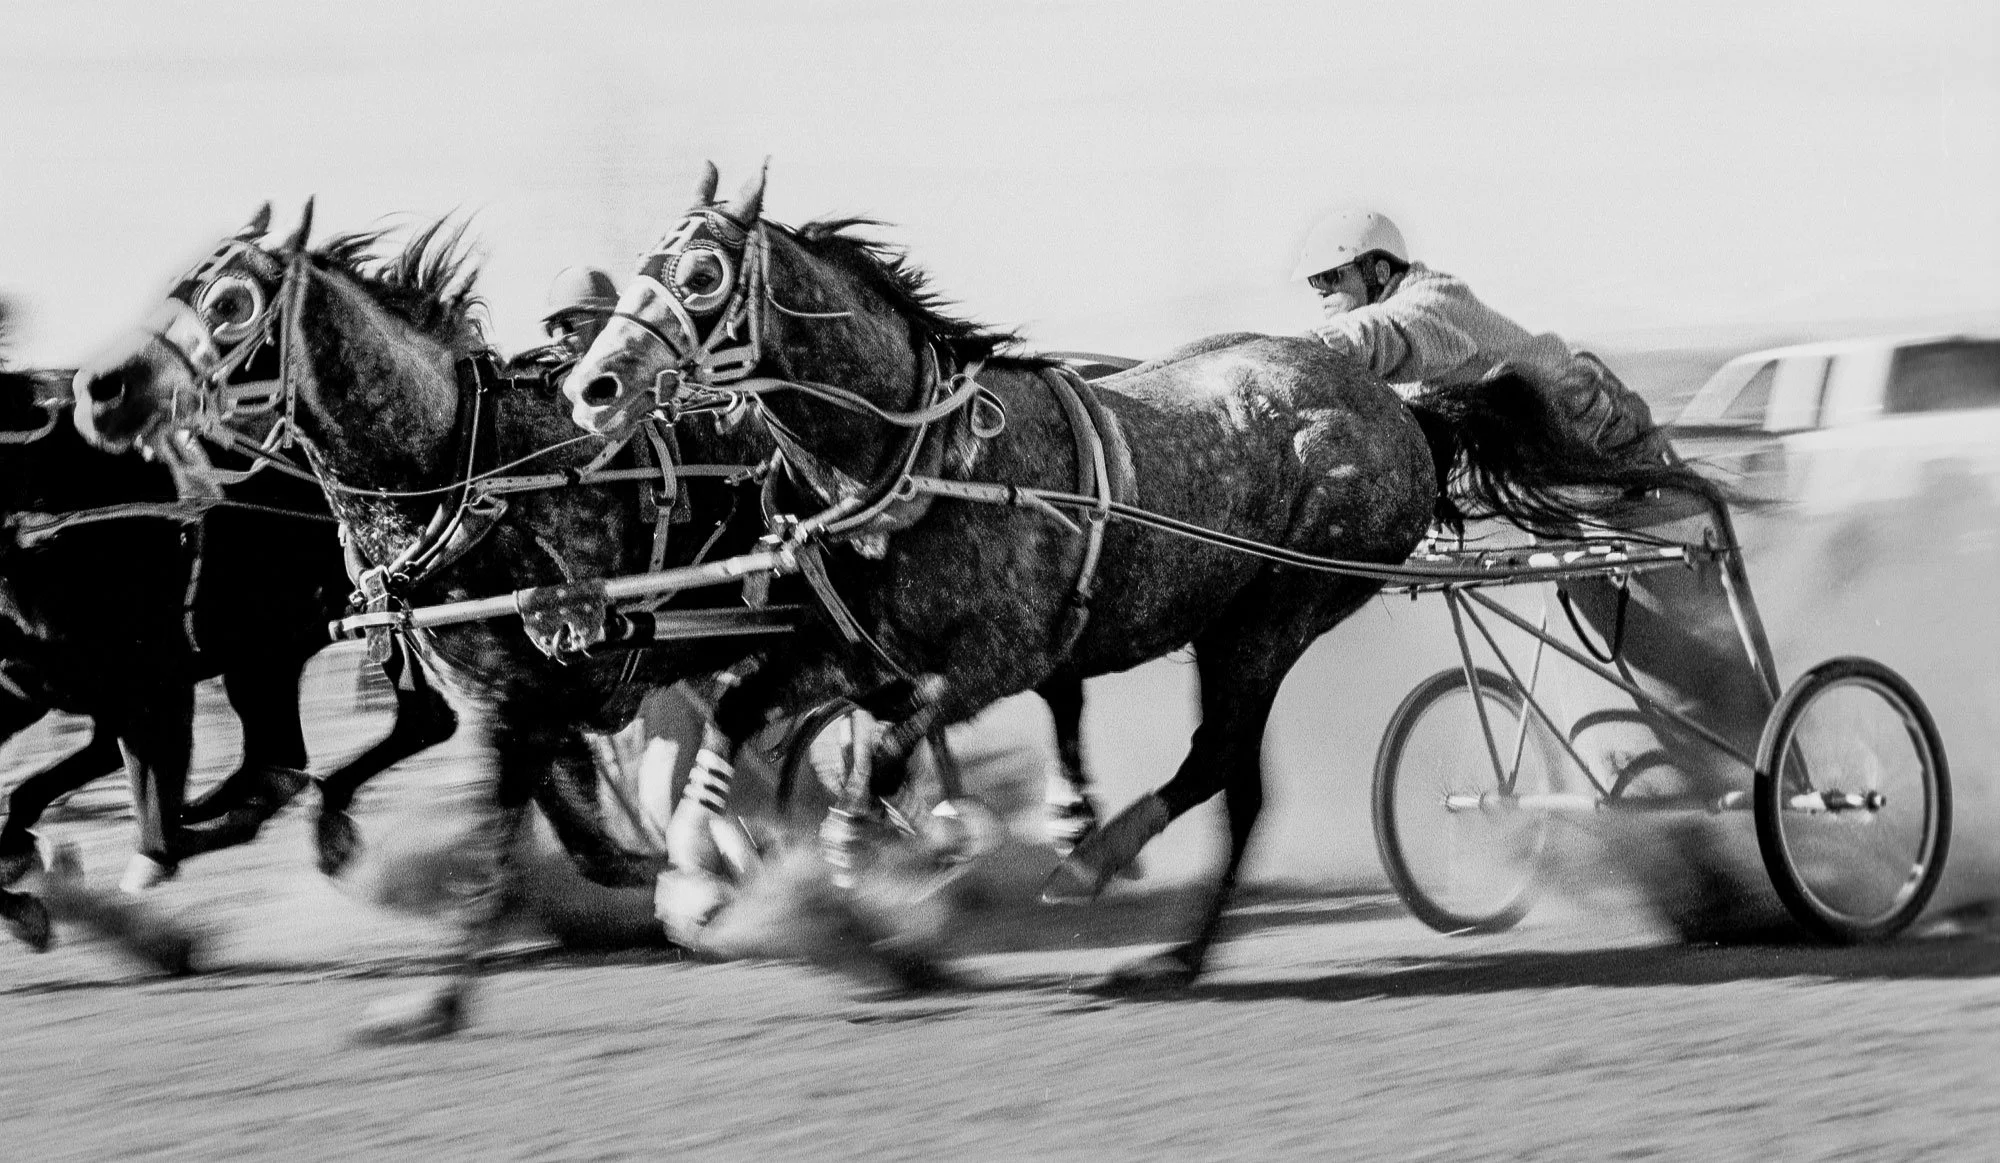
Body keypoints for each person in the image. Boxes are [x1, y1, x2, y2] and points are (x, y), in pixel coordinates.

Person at [1296, 208, 1773, 800]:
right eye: (1313, 284)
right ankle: (1698, 731)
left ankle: (1741, 718)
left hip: (1615, 455)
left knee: (1668, 608)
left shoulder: (1431, 305)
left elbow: (1380, 339)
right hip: (1558, 482)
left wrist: (1288, 358)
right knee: (1593, 607)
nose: (1320, 295)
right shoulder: (1408, 336)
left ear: (1376, 269)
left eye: (1330, 280)